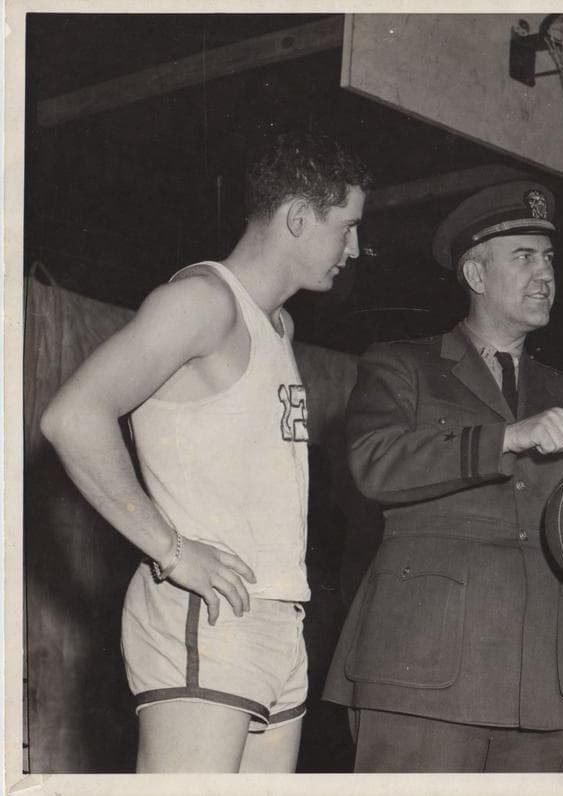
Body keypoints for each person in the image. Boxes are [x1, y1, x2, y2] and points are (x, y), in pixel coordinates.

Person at [40, 129, 374, 772]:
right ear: (299, 218)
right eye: (348, 227)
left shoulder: (278, 324)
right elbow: (72, 415)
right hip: (206, 615)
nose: (354, 249)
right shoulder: (200, 302)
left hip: (276, 615)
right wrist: (169, 549)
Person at [323, 180, 563, 772]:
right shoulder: (402, 364)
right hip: (420, 679)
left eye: (549, 259)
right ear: (474, 275)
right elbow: (375, 462)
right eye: (524, 257)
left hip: (545, 693)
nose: (544, 274)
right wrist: (508, 437)